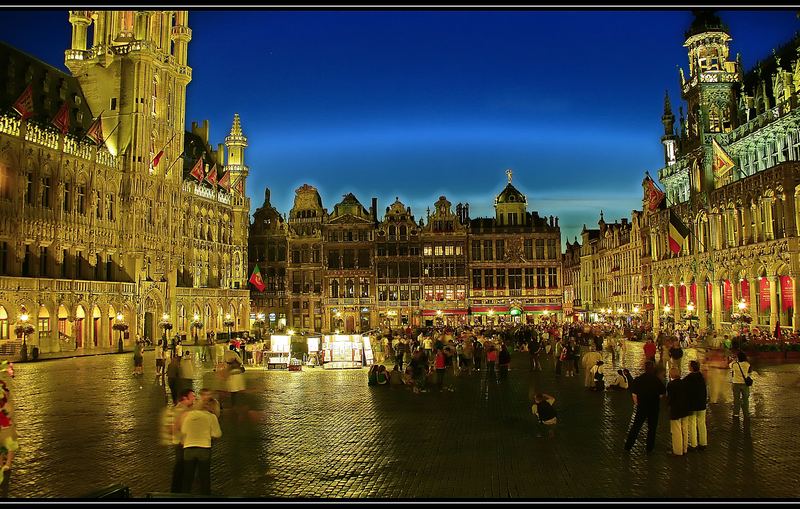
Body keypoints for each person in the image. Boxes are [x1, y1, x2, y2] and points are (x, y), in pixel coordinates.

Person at [180, 395, 223, 494]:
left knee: (187, 478)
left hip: (188, 449)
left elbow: (183, 430)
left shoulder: (189, 415)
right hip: (204, 449)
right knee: (204, 478)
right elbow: (217, 434)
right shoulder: (211, 417)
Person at [624, 361, 667, 453]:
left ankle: (628, 446)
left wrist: (637, 403)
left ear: (645, 368)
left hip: (642, 407)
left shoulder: (639, 379)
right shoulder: (657, 380)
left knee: (636, 426)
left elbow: (634, 394)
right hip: (654, 407)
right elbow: (662, 393)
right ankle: (649, 448)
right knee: (652, 428)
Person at [170, 388, 196, 493]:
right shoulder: (180, 410)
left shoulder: (185, 409)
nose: (195, 398)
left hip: (184, 443)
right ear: (185, 398)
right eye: (193, 396)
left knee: (182, 469)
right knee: (181, 469)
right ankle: (178, 492)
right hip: (182, 444)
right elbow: (177, 427)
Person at [0, 362, 18, 498]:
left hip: (5, 418)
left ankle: (7, 464)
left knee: (9, 442)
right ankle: (3, 464)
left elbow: (8, 408)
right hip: (4, 419)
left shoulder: (6, 398)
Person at [683, 360, 708, 451]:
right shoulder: (701, 377)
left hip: (692, 405)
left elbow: (683, 388)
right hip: (702, 404)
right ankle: (703, 443)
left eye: (689, 365)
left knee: (692, 424)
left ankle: (693, 444)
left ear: (692, 367)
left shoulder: (689, 378)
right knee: (702, 423)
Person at [666, 367, 690, 456]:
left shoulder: (671, 384)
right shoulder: (685, 383)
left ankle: (677, 451)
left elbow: (670, 398)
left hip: (676, 410)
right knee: (685, 429)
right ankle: (685, 449)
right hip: (685, 408)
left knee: (676, 430)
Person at [729, 351, 752, 419]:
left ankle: (736, 413)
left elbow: (730, 365)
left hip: (736, 383)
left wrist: (734, 360)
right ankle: (746, 413)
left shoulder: (734, 364)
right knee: (745, 399)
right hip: (745, 384)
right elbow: (750, 371)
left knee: (736, 399)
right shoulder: (747, 364)